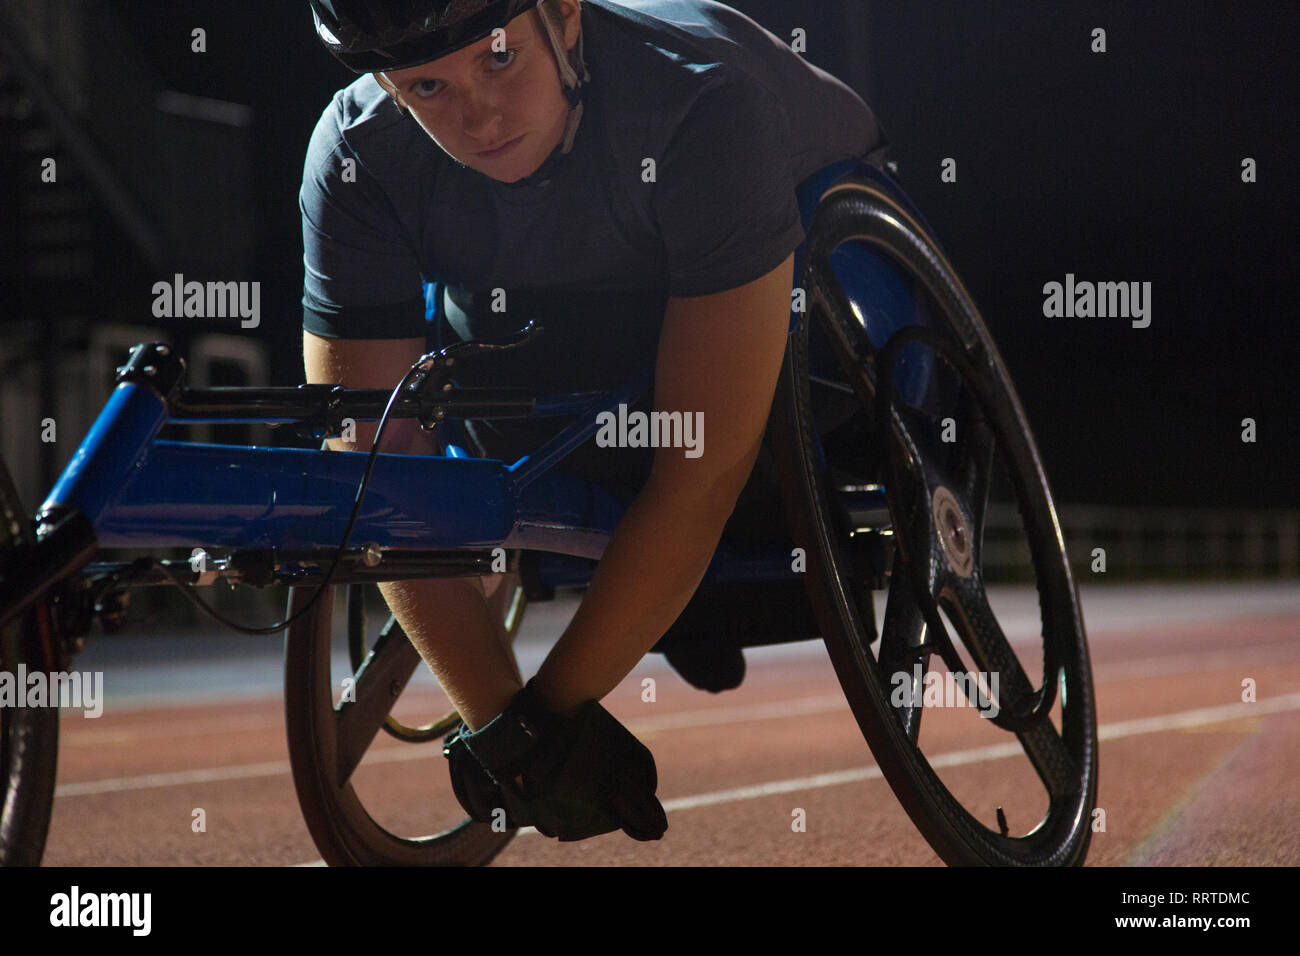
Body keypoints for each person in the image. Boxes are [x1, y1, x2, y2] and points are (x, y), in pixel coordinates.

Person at [301, 0, 887, 842]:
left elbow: (701, 469)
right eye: (427, 84)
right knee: (470, 361)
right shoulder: (356, 156)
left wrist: (548, 713)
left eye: (500, 60)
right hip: (556, 317)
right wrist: (510, 728)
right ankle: (685, 608)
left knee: (732, 424)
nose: (478, 115)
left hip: (810, 271)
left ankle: (698, 606)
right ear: (386, 86)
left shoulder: (700, 104)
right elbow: (378, 476)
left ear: (566, 15)